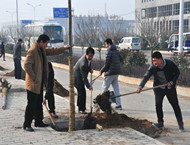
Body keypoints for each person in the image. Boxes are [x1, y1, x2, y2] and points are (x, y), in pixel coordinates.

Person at [23, 34, 70, 132]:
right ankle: (27, 124)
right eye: (46, 43)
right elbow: (26, 65)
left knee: (38, 103)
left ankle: (38, 122)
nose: (46, 45)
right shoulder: (33, 51)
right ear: (41, 42)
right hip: (33, 84)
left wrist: (63, 48)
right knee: (31, 104)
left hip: (39, 83)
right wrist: (34, 77)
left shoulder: (41, 50)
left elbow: (52, 50)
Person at [136, 51, 184, 132]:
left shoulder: (170, 64)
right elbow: (146, 76)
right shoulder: (153, 67)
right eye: (153, 61)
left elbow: (177, 72)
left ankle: (180, 124)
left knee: (175, 105)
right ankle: (160, 123)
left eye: (155, 60)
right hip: (159, 88)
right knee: (158, 104)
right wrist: (140, 87)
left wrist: (172, 82)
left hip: (170, 88)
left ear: (160, 59)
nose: (154, 62)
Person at [99, 38, 122, 110]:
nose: (106, 46)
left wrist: (101, 70)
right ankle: (119, 104)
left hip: (110, 73)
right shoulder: (117, 51)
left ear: (108, 44)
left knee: (104, 88)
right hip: (116, 72)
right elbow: (121, 59)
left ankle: (103, 105)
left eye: (106, 44)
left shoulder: (109, 52)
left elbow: (107, 64)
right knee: (116, 88)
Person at [74, 47, 94, 114]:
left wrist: (90, 69)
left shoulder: (87, 59)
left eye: (92, 56)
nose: (90, 57)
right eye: (89, 56)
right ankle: (81, 109)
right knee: (82, 92)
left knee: (81, 92)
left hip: (80, 76)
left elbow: (89, 64)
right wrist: (89, 86)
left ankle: (81, 107)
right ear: (86, 54)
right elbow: (84, 78)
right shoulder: (83, 64)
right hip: (76, 78)